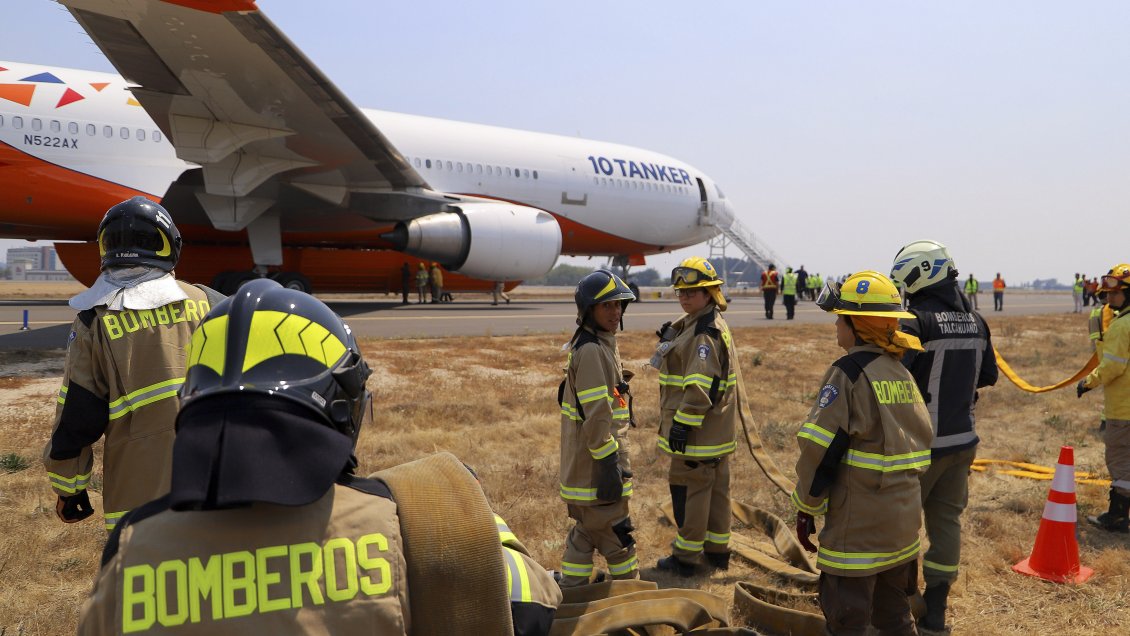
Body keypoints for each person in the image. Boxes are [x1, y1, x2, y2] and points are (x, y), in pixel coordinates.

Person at [78, 279, 561, 634]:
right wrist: (486, 525)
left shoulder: (130, 551)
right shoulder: (420, 523)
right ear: (344, 406)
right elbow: (533, 609)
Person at [43, 197, 222, 533]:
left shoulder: (93, 321)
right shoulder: (210, 302)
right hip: (218, 481)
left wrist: (69, 489)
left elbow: (77, 416)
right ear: (170, 245)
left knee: (145, 583)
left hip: (139, 500)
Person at [793, 270, 933, 636]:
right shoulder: (900, 371)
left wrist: (806, 508)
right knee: (896, 618)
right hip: (901, 528)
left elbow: (819, 450)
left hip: (859, 531)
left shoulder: (847, 373)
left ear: (856, 325)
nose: (836, 326)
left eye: (841, 319)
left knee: (847, 621)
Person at [889, 240, 998, 635]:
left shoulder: (914, 321)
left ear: (918, 275)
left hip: (919, 448)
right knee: (947, 523)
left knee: (898, 528)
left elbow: (891, 377)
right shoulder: (978, 321)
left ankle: (896, 607)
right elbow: (988, 376)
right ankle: (936, 612)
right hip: (963, 442)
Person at [654, 257, 740, 576]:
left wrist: (681, 424)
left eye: (692, 292)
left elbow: (699, 389)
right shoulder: (703, 322)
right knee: (717, 492)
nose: (684, 298)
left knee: (691, 494)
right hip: (716, 434)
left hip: (697, 436)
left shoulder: (703, 335)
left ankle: (686, 559)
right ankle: (718, 553)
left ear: (709, 294)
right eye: (681, 292)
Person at [558, 269, 638, 586]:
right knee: (618, 541)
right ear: (589, 309)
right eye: (607, 306)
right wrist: (608, 465)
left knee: (584, 536)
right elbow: (597, 418)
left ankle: (571, 593)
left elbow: (599, 399)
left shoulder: (599, 344)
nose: (615, 312)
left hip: (581, 474)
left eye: (619, 305)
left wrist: (618, 385)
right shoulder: (592, 350)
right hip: (596, 473)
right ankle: (629, 596)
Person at [1079, 263, 1130, 533]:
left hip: (1124, 409)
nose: (1109, 299)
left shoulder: (1122, 327)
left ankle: (1118, 516)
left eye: (1115, 294)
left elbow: (1111, 367)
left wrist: (1088, 383)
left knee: (1120, 460)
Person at [1087, 279, 1116, 433]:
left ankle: (1106, 423)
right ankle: (1106, 423)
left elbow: (1094, 340)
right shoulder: (1112, 312)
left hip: (1104, 357)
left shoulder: (1096, 312)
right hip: (1112, 357)